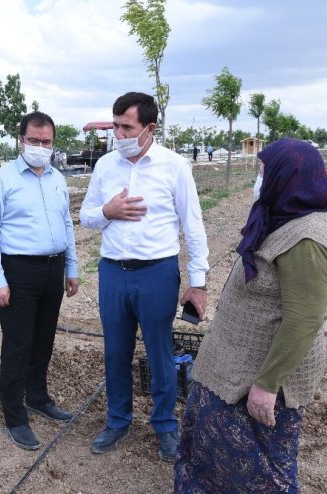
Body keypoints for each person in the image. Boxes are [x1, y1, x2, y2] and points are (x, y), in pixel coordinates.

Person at [174, 138, 327, 493]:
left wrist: (266, 386)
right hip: (230, 366)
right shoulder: (285, 219)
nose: (259, 179)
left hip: (254, 378)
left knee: (258, 471)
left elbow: (303, 322)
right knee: (215, 457)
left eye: (264, 173)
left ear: (287, 178)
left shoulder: (307, 240)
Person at [80, 92, 209, 462]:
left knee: (160, 353)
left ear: (149, 129)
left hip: (157, 273)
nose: (118, 133)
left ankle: (165, 425)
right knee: (115, 352)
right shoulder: (105, 166)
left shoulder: (174, 166)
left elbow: (193, 225)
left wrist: (197, 282)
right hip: (113, 274)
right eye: (115, 125)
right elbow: (87, 217)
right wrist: (108, 210)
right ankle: (118, 421)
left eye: (127, 127)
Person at [0, 111, 79, 450]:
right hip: (18, 271)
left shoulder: (57, 179)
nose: (40, 147)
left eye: (46, 142)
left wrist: (72, 267)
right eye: (33, 141)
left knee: (43, 339)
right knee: (18, 344)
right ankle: (14, 415)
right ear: (21, 141)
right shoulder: (1, 179)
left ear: (53, 143)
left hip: (53, 268)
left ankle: (37, 396)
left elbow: (67, 226)